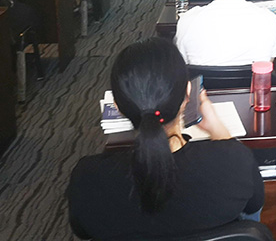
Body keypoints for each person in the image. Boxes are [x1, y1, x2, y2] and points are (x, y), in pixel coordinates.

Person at [68, 38, 264, 240]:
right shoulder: (234, 162)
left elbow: (83, 231)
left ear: (117, 106)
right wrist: (219, 130)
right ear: (188, 94)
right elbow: (254, 205)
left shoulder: (87, 178)